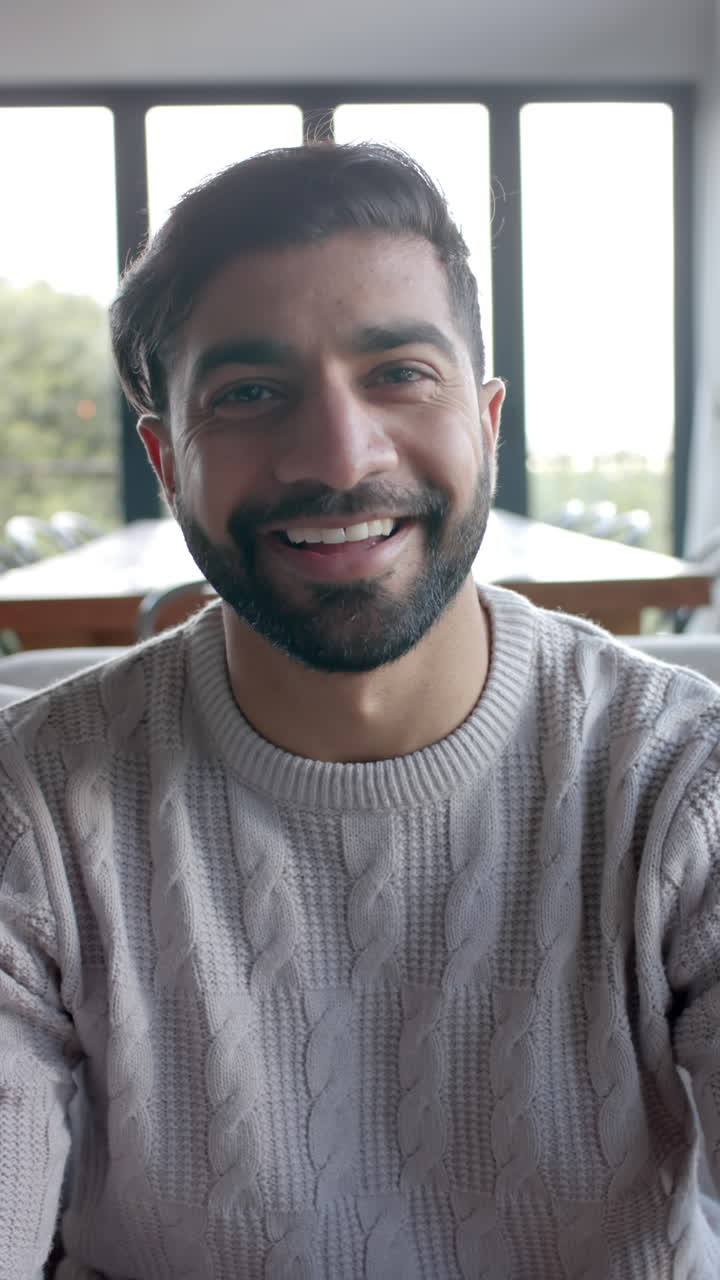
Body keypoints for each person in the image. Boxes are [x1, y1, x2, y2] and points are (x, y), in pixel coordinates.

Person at [0, 142, 719, 1280]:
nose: (338, 454)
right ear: (166, 458)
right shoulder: (31, 808)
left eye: (398, 373)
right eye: (247, 393)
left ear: (486, 419)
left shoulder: (683, 780)